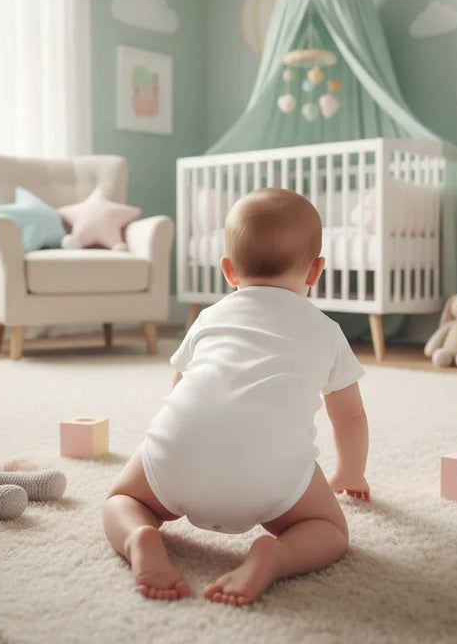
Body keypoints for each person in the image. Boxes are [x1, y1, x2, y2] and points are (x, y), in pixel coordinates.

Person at [102, 187, 370, 605]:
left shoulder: (209, 317)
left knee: (121, 499)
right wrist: (349, 474)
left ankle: (139, 536)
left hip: (178, 453)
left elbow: (179, 393)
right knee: (331, 532)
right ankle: (277, 555)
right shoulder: (326, 331)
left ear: (229, 270)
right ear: (316, 271)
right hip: (268, 475)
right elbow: (350, 417)